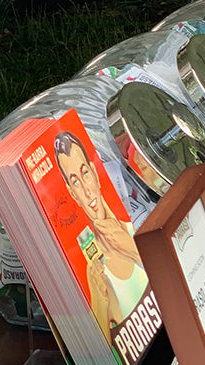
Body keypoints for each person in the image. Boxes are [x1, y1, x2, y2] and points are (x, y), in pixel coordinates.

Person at [53, 131, 149, 339]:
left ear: (95, 174)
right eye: (75, 182)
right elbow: (104, 358)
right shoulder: (95, 272)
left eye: (85, 173)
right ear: (72, 194)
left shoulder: (132, 229)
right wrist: (98, 302)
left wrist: (132, 250)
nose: (87, 192)